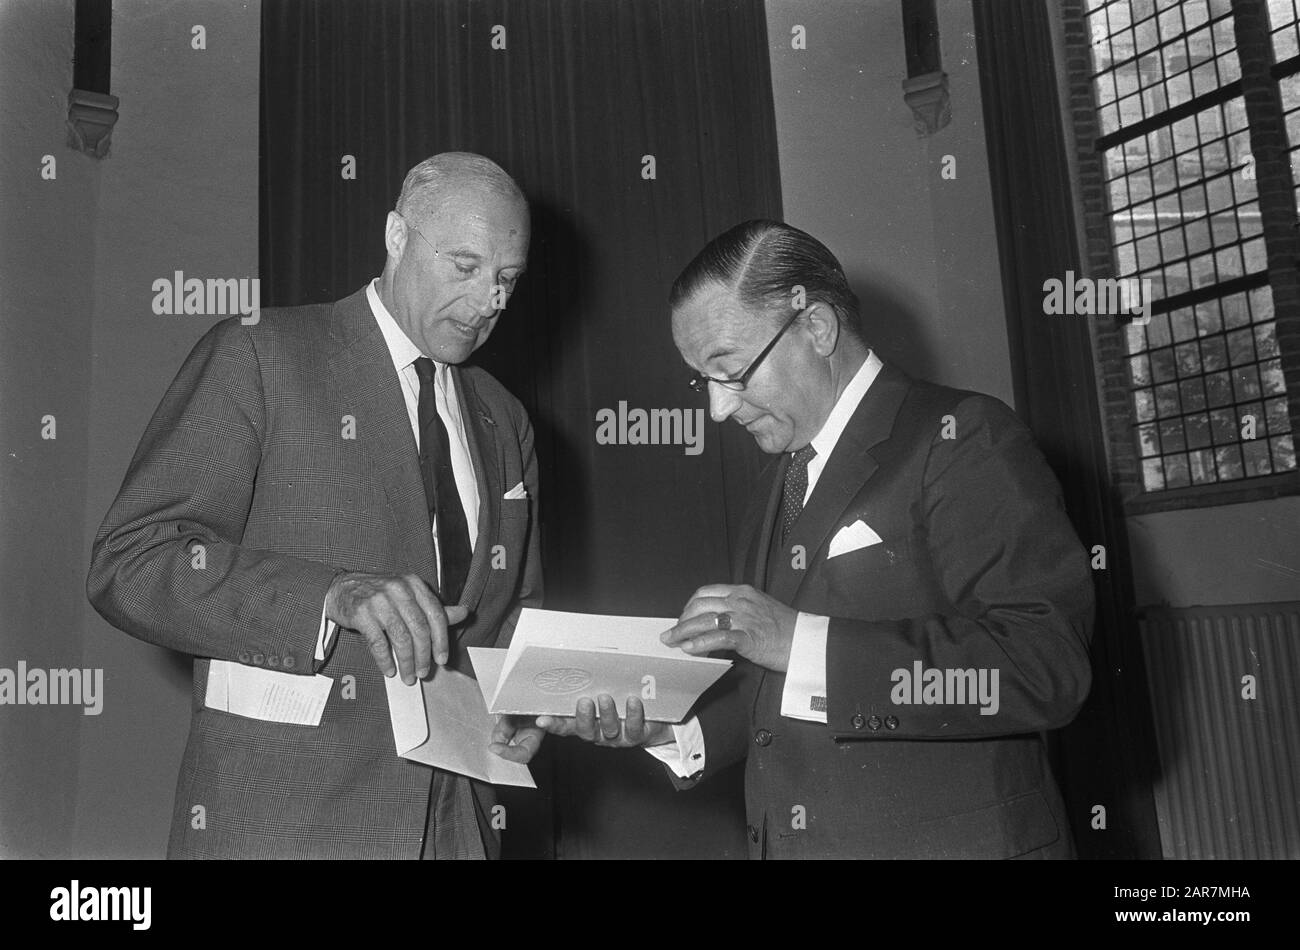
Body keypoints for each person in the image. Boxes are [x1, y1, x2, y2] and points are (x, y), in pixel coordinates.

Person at [533, 219, 1095, 859]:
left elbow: (1045, 665)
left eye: (732, 370)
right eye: (702, 381)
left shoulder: (961, 437)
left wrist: (794, 638)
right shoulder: (777, 485)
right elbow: (784, 692)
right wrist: (674, 730)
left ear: (817, 328)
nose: (718, 410)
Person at [87, 152, 545, 859]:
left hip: (459, 825)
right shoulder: (261, 356)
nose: (492, 300)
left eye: (506, 278)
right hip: (288, 826)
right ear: (396, 236)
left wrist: (532, 702)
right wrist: (328, 596)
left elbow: (515, 616)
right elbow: (132, 561)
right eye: (464, 265)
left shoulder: (503, 415)